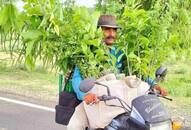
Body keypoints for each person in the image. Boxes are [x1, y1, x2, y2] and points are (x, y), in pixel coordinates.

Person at [66, 14, 168, 130]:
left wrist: (154, 85)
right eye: (107, 29)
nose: (112, 34)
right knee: (74, 125)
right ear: (98, 31)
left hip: (121, 102)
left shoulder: (121, 52)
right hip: (96, 102)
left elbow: (138, 74)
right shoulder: (88, 52)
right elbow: (77, 79)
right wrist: (85, 95)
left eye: (114, 30)